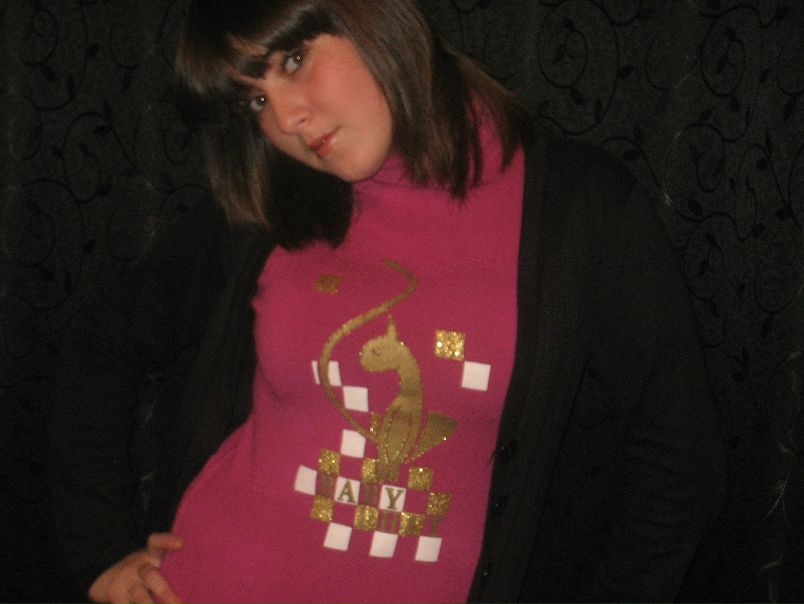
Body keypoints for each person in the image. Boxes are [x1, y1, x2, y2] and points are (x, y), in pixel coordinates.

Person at [49, 0, 728, 602]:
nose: (286, 118)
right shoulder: (270, 209)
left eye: (293, 60)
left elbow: (680, 458)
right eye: (253, 102)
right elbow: (101, 343)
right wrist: (100, 550)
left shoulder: (579, 209)